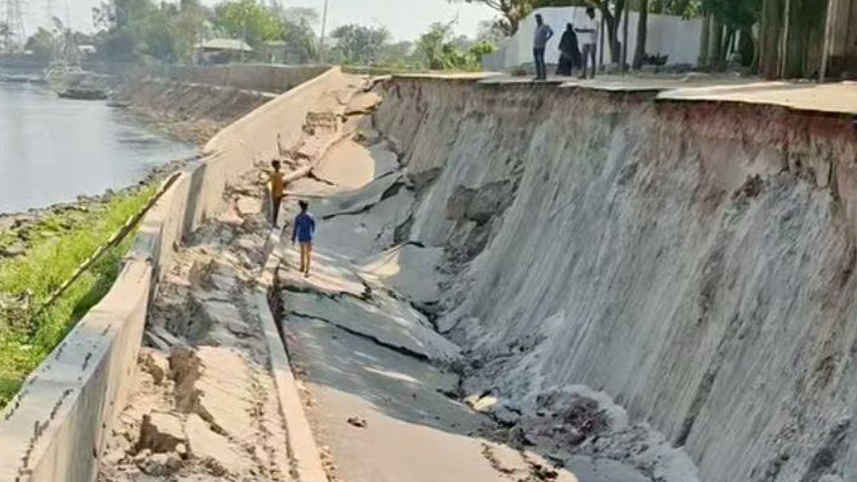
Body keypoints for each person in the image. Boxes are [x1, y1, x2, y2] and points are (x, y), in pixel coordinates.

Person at [292, 200, 316, 277]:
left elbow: (295, 228)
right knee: (308, 253)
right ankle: (307, 269)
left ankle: (302, 266)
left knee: (302, 252)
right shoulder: (310, 216)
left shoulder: (298, 217)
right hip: (308, 236)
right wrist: (312, 233)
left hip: (301, 236)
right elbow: (313, 226)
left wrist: (293, 238)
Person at [576, 8, 599, 79]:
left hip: (592, 41)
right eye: (588, 13)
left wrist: (581, 30)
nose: (589, 15)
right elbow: (584, 28)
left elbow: (592, 30)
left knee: (592, 58)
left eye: (589, 13)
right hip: (585, 41)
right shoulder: (587, 21)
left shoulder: (596, 21)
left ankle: (592, 73)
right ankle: (584, 73)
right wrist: (580, 30)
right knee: (584, 59)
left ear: (592, 13)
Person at [532, 14, 554, 81]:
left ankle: (543, 75)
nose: (537, 20)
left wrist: (546, 39)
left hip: (541, 46)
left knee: (541, 60)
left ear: (541, 19)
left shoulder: (545, 26)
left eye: (538, 19)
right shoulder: (536, 27)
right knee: (536, 61)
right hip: (535, 46)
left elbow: (551, 32)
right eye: (536, 19)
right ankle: (538, 75)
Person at [268, 160, 285, 226]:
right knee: (275, 209)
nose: (279, 166)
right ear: (275, 166)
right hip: (275, 194)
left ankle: (275, 222)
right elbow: (272, 185)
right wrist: (272, 195)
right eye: (278, 164)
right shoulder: (273, 175)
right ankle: (274, 222)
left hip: (280, 193)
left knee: (277, 209)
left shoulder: (279, 174)